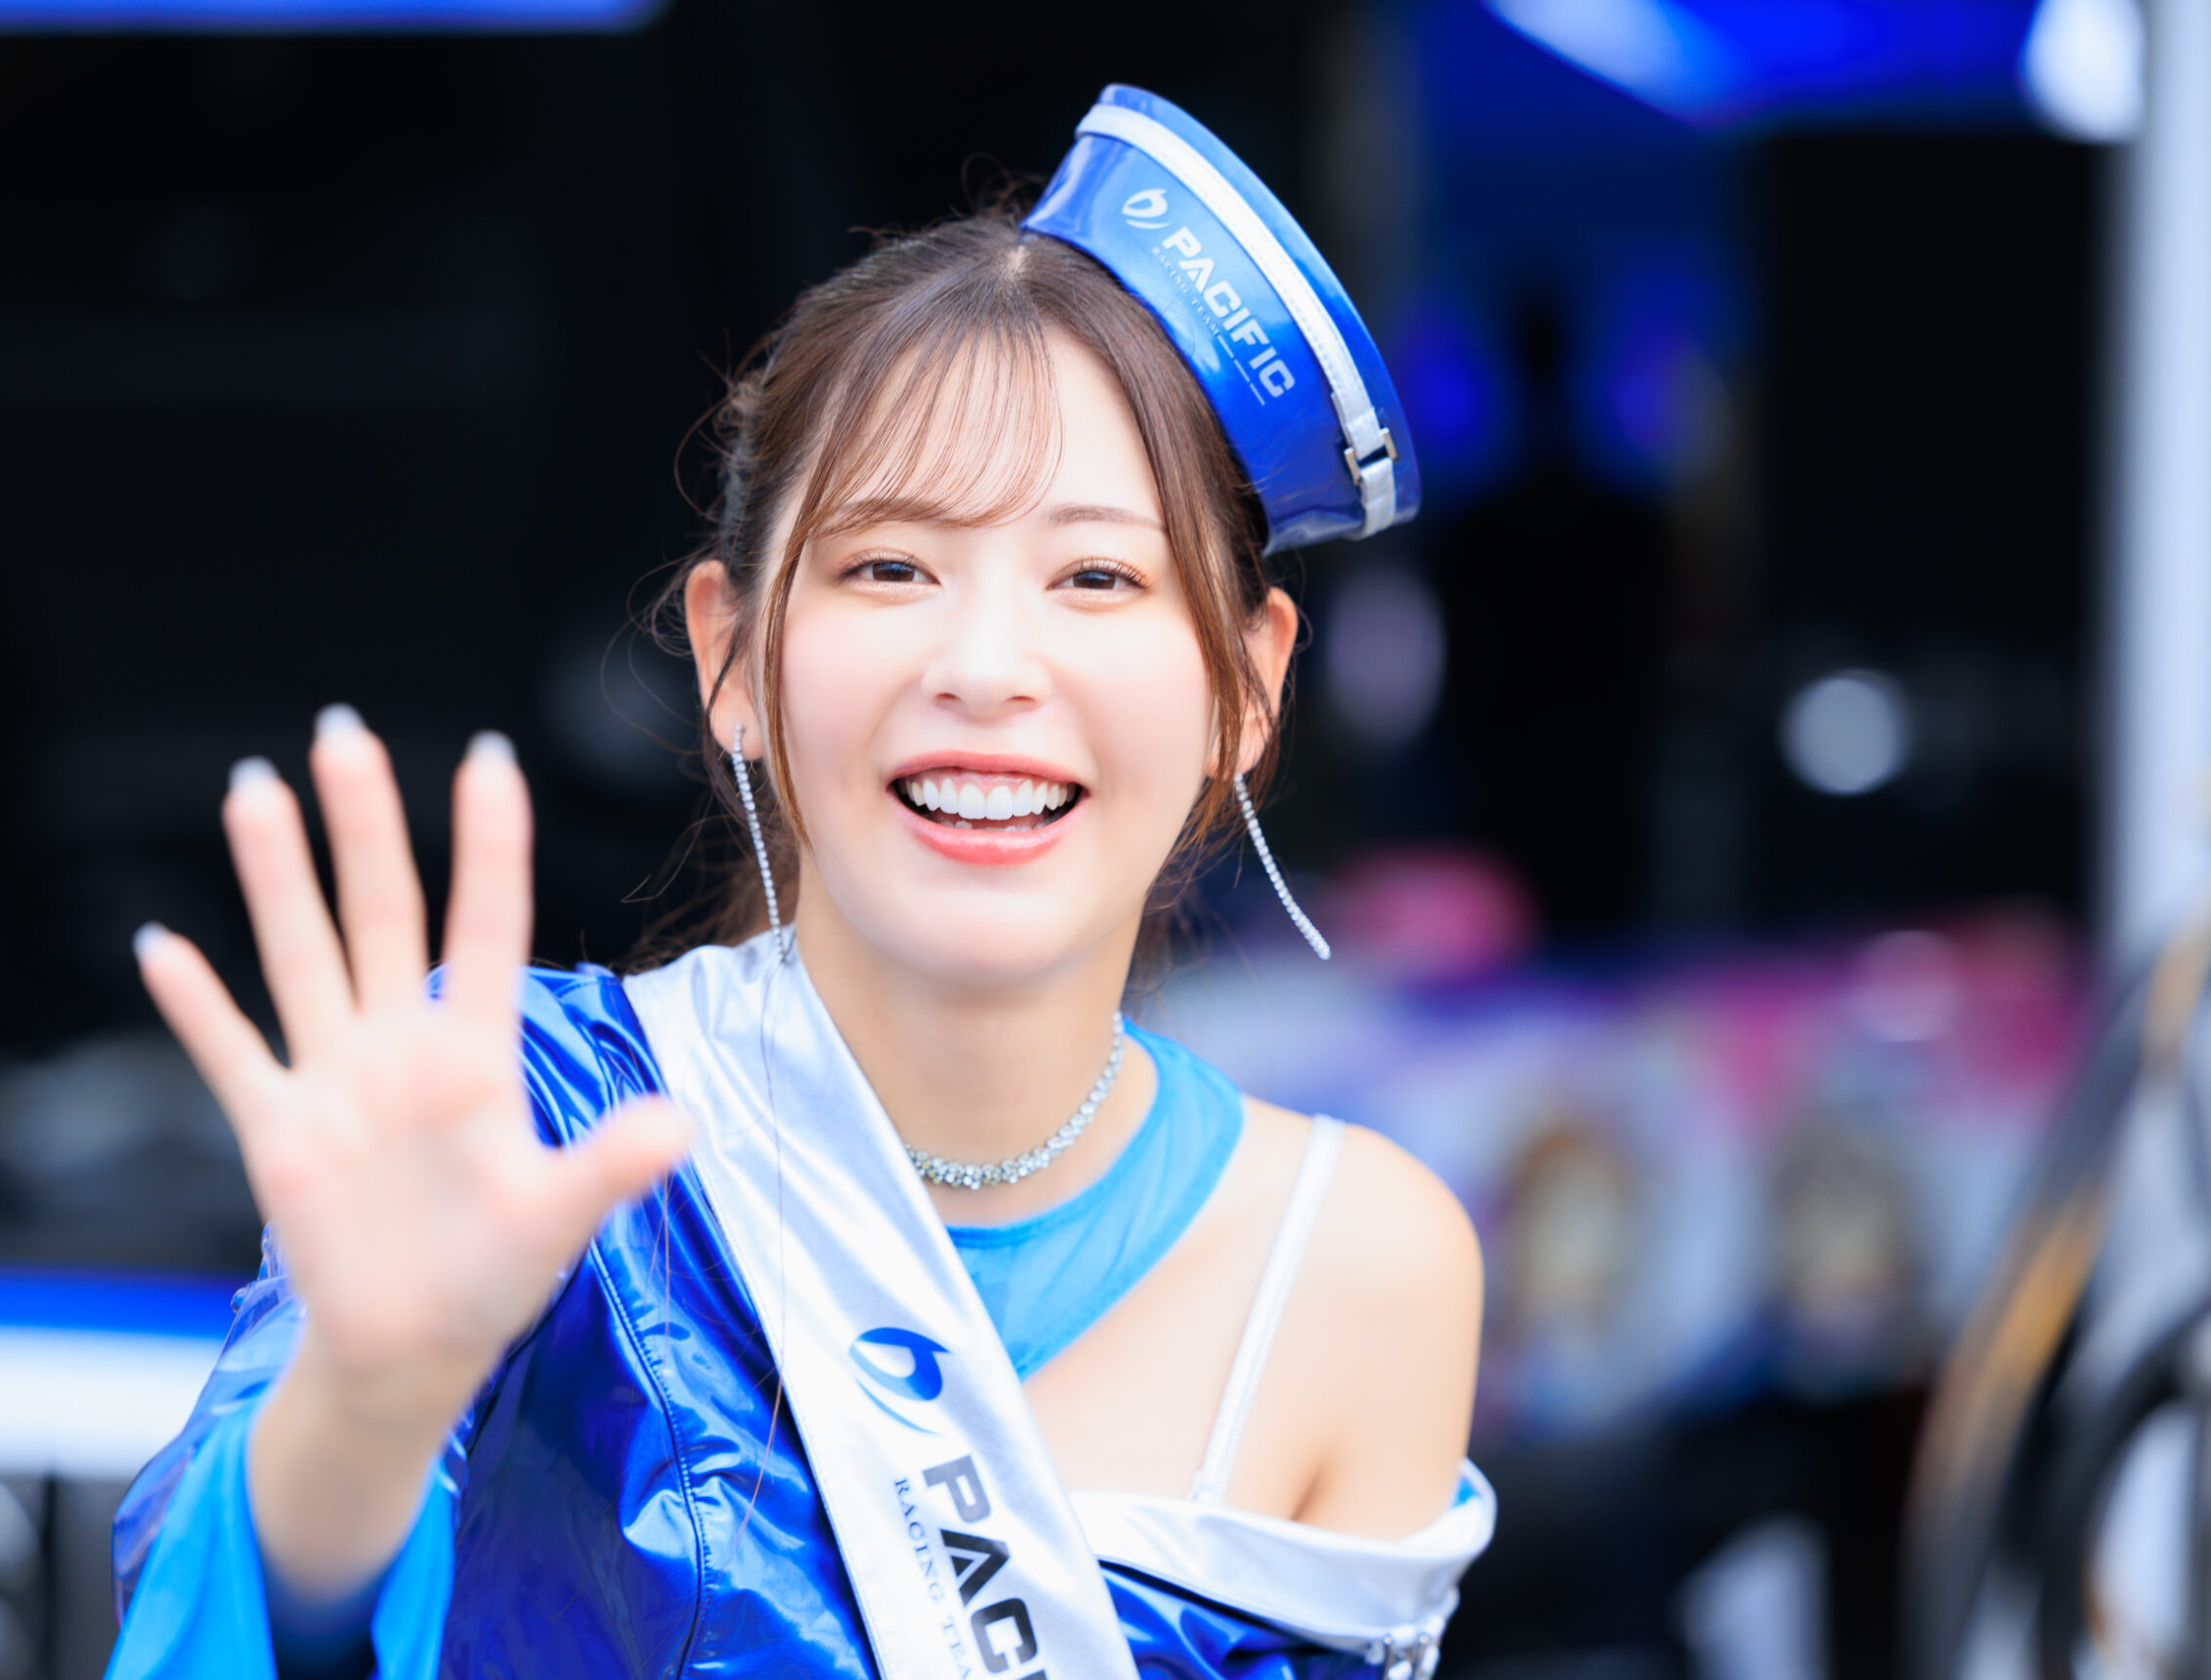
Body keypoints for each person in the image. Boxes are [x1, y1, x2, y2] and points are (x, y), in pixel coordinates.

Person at [105, 86, 1492, 1680]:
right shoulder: (529, 1115)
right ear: (732, 656)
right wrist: (359, 1414)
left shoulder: (1358, 1260)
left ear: (1246, 687)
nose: (986, 666)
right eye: (890, 567)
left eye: (1098, 576)